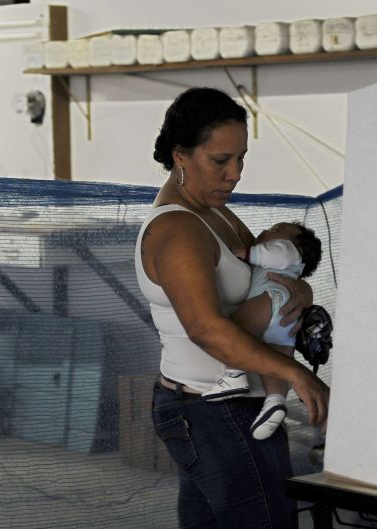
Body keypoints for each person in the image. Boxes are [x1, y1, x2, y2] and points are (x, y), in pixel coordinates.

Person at [135, 86, 329, 529]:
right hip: (212, 410)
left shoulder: (215, 212)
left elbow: (271, 272)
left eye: (241, 159)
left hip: (233, 406)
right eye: (220, 161)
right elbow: (207, 329)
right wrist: (296, 374)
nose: (234, 174)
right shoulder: (178, 230)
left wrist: (301, 293)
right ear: (180, 155)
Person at [201, 221, 323, 441]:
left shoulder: (287, 252)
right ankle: (275, 401)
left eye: (277, 231)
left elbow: (279, 254)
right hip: (284, 316)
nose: (267, 231)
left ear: (298, 247)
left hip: (271, 297)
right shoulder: (286, 260)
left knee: (236, 329)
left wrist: (247, 252)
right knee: (277, 361)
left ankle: (233, 375)